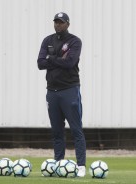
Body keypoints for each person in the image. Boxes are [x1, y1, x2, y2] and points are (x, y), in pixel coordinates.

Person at [37, 12, 86, 177]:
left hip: (70, 90)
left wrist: (51, 59)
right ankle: (58, 163)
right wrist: (57, 59)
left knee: (76, 129)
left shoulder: (74, 41)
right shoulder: (47, 40)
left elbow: (70, 62)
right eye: (56, 22)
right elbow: (40, 63)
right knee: (57, 131)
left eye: (61, 22)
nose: (58, 25)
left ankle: (81, 166)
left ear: (67, 24)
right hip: (52, 91)